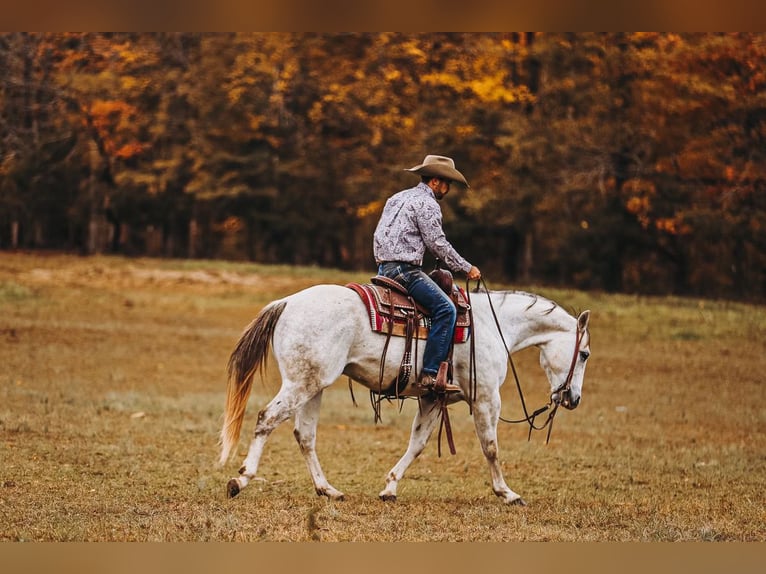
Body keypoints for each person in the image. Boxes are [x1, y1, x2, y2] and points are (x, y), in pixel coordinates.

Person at [373, 154, 481, 395]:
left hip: (384, 268)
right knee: (446, 309)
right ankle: (430, 374)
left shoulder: (396, 198)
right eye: (446, 183)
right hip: (405, 271)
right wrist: (466, 267)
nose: (448, 189)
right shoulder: (428, 203)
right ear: (434, 182)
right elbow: (437, 244)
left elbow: (379, 234)